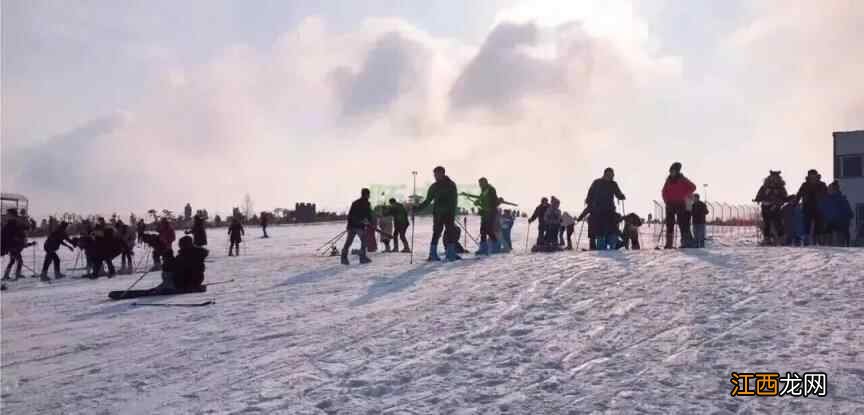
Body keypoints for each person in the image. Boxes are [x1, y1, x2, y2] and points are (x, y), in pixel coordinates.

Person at [415, 166, 460, 261]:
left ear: (443, 173)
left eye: (437, 174)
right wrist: (417, 208)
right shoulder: (434, 186)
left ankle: (450, 253)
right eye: (434, 174)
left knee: (450, 232)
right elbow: (428, 200)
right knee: (436, 233)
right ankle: (432, 254)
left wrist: (452, 212)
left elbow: (454, 200)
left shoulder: (451, 185)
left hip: (448, 213)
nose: (435, 176)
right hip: (438, 213)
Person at [585, 168, 626, 250]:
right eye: (609, 174)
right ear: (605, 174)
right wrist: (588, 201)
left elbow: (618, 193)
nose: (610, 176)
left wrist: (621, 196)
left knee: (612, 229)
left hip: (610, 210)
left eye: (611, 175)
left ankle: (613, 245)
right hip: (598, 211)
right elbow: (590, 193)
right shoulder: (596, 182)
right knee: (600, 231)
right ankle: (601, 248)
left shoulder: (613, 184)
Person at [662, 162, 696, 248]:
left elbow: (693, 187)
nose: (671, 173)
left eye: (673, 171)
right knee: (669, 224)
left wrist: (685, 195)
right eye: (670, 171)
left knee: (682, 224)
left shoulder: (682, 179)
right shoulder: (668, 180)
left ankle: (685, 243)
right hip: (670, 205)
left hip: (680, 204)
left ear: (677, 171)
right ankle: (669, 244)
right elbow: (664, 191)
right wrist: (666, 201)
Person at [753, 171, 788, 245]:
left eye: (776, 177)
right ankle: (767, 239)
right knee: (766, 223)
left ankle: (781, 239)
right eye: (772, 177)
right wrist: (758, 199)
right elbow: (759, 195)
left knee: (778, 223)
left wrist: (779, 201)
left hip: (776, 207)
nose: (774, 179)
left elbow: (785, 197)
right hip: (765, 206)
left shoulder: (781, 188)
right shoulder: (764, 187)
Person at [341, 188, 373, 265]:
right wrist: (368, 220)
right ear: (366, 194)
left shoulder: (355, 203)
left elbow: (350, 215)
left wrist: (348, 226)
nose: (369, 196)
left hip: (352, 225)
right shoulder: (366, 203)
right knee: (364, 241)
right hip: (359, 226)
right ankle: (362, 258)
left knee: (348, 242)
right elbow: (368, 214)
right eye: (368, 194)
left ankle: (343, 258)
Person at [796, 169, 828, 245]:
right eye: (811, 175)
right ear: (809, 176)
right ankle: (806, 239)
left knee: (819, 223)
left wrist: (824, 202)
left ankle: (818, 239)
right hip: (807, 206)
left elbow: (826, 194)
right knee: (807, 223)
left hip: (818, 206)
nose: (812, 177)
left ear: (816, 176)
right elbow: (799, 194)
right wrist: (796, 202)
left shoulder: (822, 184)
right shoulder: (805, 185)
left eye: (814, 175)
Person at [819, 181, 854, 246]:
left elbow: (847, 209)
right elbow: (821, 209)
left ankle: (841, 245)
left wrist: (849, 216)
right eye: (828, 188)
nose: (828, 190)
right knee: (827, 234)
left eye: (830, 188)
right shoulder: (825, 199)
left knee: (840, 235)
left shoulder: (840, 198)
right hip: (830, 221)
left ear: (834, 189)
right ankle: (829, 246)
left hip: (839, 221)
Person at [2, 209, 32, 281]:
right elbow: (8, 237)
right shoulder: (12, 224)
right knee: (19, 261)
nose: (6, 216)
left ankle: (7, 276)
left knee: (13, 261)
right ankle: (15, 276)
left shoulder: (14, 223)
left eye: (8, 214)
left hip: (14, 246)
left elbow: (24, 230)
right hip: (13, 246)